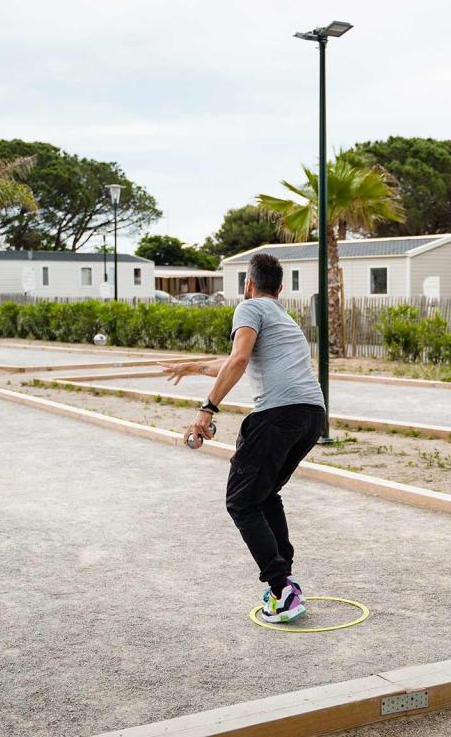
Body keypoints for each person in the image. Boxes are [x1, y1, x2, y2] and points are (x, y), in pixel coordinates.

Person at [160, 253, 326, 624]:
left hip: (278, 415)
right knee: (265, 494)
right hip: (311, 416)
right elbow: (239, 358)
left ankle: (282, 590)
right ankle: (285, 579)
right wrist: (196, 367)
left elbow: (239, 358)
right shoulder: (283, 318)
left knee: (241, 501)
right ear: (280, 288)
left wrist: (206, 409)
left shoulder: (249, 308)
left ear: (248, 285)